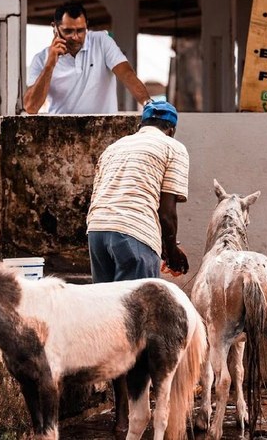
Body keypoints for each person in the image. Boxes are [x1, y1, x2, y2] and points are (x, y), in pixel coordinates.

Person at [85, 99, 189, 432]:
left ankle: (121, 418)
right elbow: (166, 210)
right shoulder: (173, 148)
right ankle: (133, 423)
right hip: (135, 234)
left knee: (113, 328)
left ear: (141, 124)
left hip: (98, 233)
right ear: (171, 128)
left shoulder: (115, 147)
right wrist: (172, 251)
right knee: (139, 334)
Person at [24, 2, 152, 114]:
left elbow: (127, 74)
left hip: (105, 131)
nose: (75, 37)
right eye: (68, 31)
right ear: (55, 29)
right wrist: (50, 65)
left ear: (87, 26)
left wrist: (148, 104)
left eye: (80, 30)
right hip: (60, 135)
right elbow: (31, 108)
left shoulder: (101, 41)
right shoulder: (41, 59)